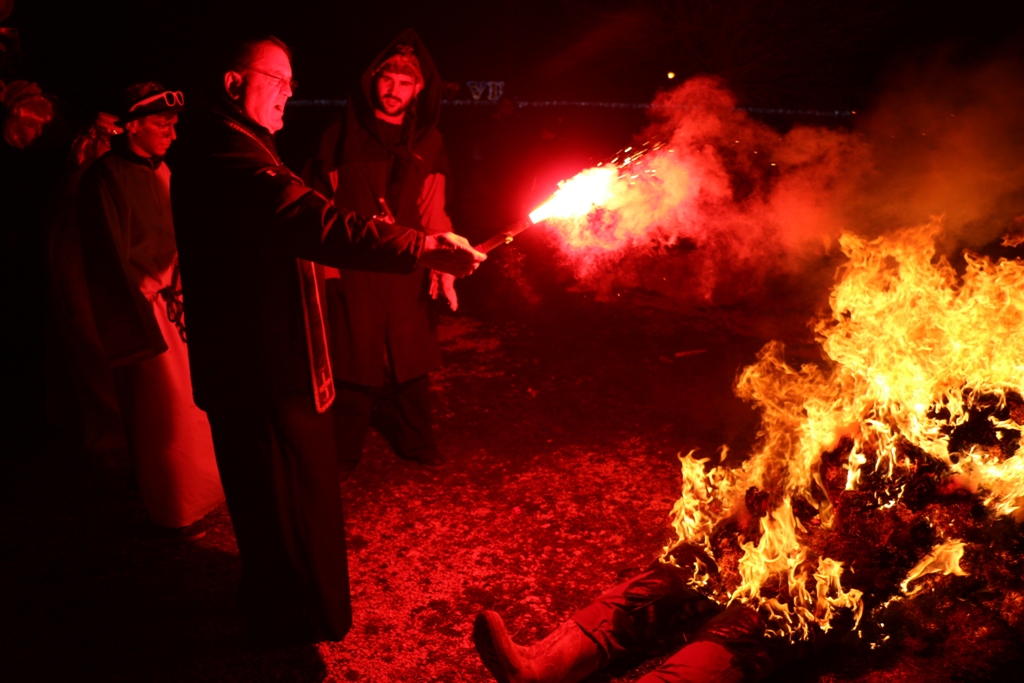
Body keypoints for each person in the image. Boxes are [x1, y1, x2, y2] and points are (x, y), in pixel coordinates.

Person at [170, 36, 484, 644]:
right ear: (235, 85)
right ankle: (293, 615)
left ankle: (283, 602)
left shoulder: (242, 143)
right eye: (277, 80)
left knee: (283, 497)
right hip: (261, 367)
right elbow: (309, 216)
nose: (290, 93)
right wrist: (418, 247)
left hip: (270, 357)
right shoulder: (228, 153)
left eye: (293, 82)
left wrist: (428, 243)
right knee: (283, 496)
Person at [77, 82, 224, 538]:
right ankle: (174, 507)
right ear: (133, 125)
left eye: (174, 125)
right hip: (149, 314)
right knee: (166, 415)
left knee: (196, 409)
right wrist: (134, 326)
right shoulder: (105, 178)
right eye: (163, 125)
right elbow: (109, 259)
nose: (172, 135)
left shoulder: (166, 172)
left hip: (181, 308)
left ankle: (206, 491)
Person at [308, 30, 457, 475]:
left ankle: (416, 441)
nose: (394, 90)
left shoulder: (428, 143)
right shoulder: (338, 136)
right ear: (372, 80)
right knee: (353, 356)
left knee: (412, 357)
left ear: (420, 89)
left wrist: (443, 264)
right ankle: (343, 451)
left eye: (405, 83)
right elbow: (319, 208)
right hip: (353, 266)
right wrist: (327, 273)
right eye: (387, 78)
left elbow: (435, 206)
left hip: (408, 262)